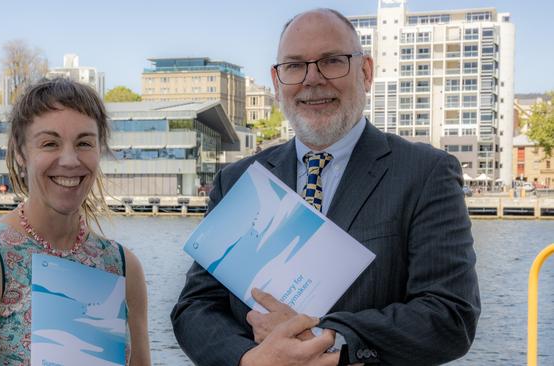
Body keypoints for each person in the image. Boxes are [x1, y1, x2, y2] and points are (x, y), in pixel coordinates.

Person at [171, 8, 480, 366]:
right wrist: (250, 360)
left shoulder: (425, 173)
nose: (312, 79)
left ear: (365, 71)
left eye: (332, 61)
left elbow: (450, 315)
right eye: (295, 65)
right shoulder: (238, 181)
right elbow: (195, 307)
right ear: (277, 80)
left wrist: (328, 340)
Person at [0, 78, 151, 366]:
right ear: (21, 153)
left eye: (84, 143)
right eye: (50, 143)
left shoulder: (123, 266)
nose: (70, 160)